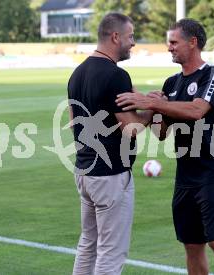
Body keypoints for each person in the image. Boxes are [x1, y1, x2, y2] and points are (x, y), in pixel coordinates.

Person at [116, 18, 214, 275]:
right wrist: (153, 105)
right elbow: (161, 133)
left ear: (192, 42)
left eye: (174, 42)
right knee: (192, 245)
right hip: (186, 177)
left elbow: (197, 110)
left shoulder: (213, 73)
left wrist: (154, 105)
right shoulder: (172, 84)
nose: (169, 48)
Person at [67, 13, 154, 275]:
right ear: (115, 37)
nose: (133, 43)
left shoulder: (77, 72)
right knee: (111, 252)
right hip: (111, 174)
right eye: (131, 37)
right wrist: (151, 108)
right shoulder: (116, 75)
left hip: (84, 169)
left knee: (88, 245)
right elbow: (132, 128)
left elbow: (74, 123)